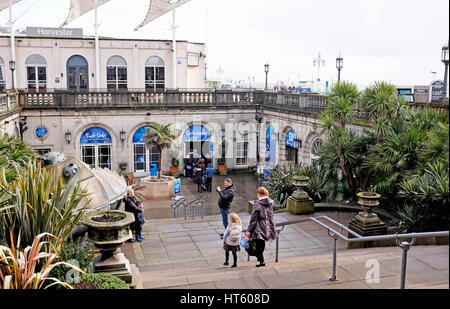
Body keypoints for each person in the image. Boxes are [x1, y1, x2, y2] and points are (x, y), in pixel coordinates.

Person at [247, 187, 277, 267]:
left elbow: (254, 218)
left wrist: (249, 229)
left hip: (258, 227)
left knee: (256, 244)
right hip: (267, 226)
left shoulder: (258, 204)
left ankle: (261, 261)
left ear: (258, 194)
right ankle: (260, 260)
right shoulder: (270, 202)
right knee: (261, 243)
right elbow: (270, 215)